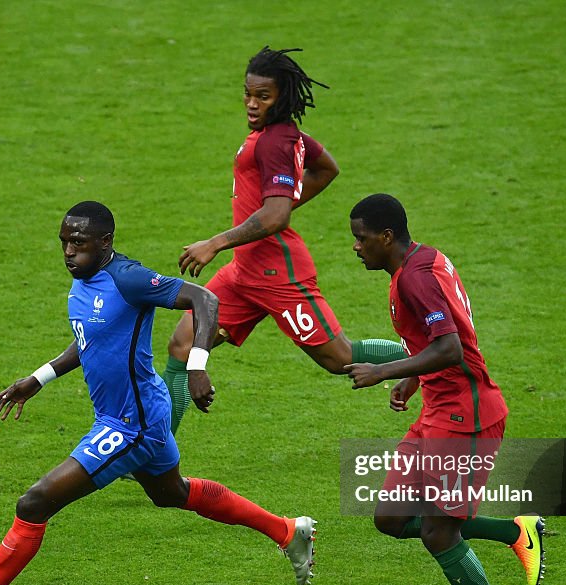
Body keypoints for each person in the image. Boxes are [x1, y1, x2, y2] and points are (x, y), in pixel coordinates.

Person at [0, 201, 317, 585]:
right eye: (64, 242)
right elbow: (91, 339)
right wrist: (39, 378)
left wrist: (198, 364)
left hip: (131, 423)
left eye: (79, 243)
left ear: (105, 242)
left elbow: (205, 298)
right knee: (171, 493)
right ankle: (287, 530)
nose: (69, 252)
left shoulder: (128, 279)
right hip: (141, 410)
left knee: (34, 503)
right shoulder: (84, 281)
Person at [343, 193, 545, 585]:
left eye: (361, 238)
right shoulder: (424, 260)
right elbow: (435, 337)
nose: (355, 247)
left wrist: (387, 370)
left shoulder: (414, 279)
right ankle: (515, 530)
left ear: (386, 237)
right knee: (390, 517)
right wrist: (414, 380)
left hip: (467, 418)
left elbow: (451, 348)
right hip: (438, 409)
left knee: (437, 530)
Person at [162, 46, 405, 433]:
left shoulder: (275, 142)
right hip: (244, 272)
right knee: (183, 343)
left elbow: (276, 215)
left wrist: (216, 242)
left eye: (263, 96)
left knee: (339, 359)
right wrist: (285, 201)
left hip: (279, 274)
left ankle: (421, 357)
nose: (251, 103)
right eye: (248, 93)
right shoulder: (283, 135)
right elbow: (325, 169)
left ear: (283, 97)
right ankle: (157, 452)